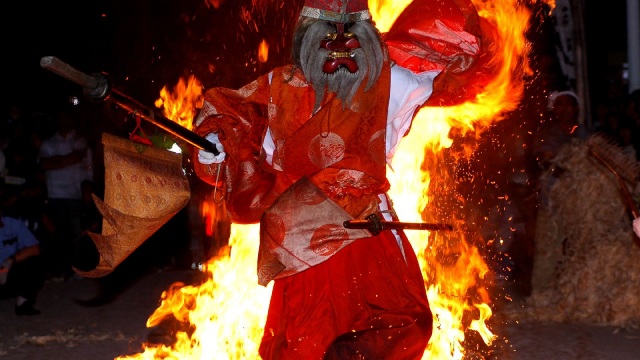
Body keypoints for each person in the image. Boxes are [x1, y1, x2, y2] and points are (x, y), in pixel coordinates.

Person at [192, 0, 495, 358]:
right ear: (307, 39)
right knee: (338, 332)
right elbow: (238, 126)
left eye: (348, 33)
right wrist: (216, 143)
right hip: (308, 235)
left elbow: (452, 56)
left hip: (358, 228)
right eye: (327, 34)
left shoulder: (395, 79)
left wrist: (221, 143)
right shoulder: (280, 86)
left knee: (390, 324)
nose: (337, 43)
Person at [38, 105, 94, 279]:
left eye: (66, 117)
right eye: (60, 118)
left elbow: (82, 161)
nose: (63, 121)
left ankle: (76, 268)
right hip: (54, 194)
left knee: (75, 233)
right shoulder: (48, 143)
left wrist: (58, 161)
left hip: (74, 194)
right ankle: (61, 270)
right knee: (57, 234)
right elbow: (43, 164)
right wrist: (68, 159)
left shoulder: (80, 140)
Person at [0, 198, 45, 316]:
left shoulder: (13, 224)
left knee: (37, 261)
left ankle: (23, 303)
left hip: (8, 272)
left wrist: (9, 261)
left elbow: (35, 249)